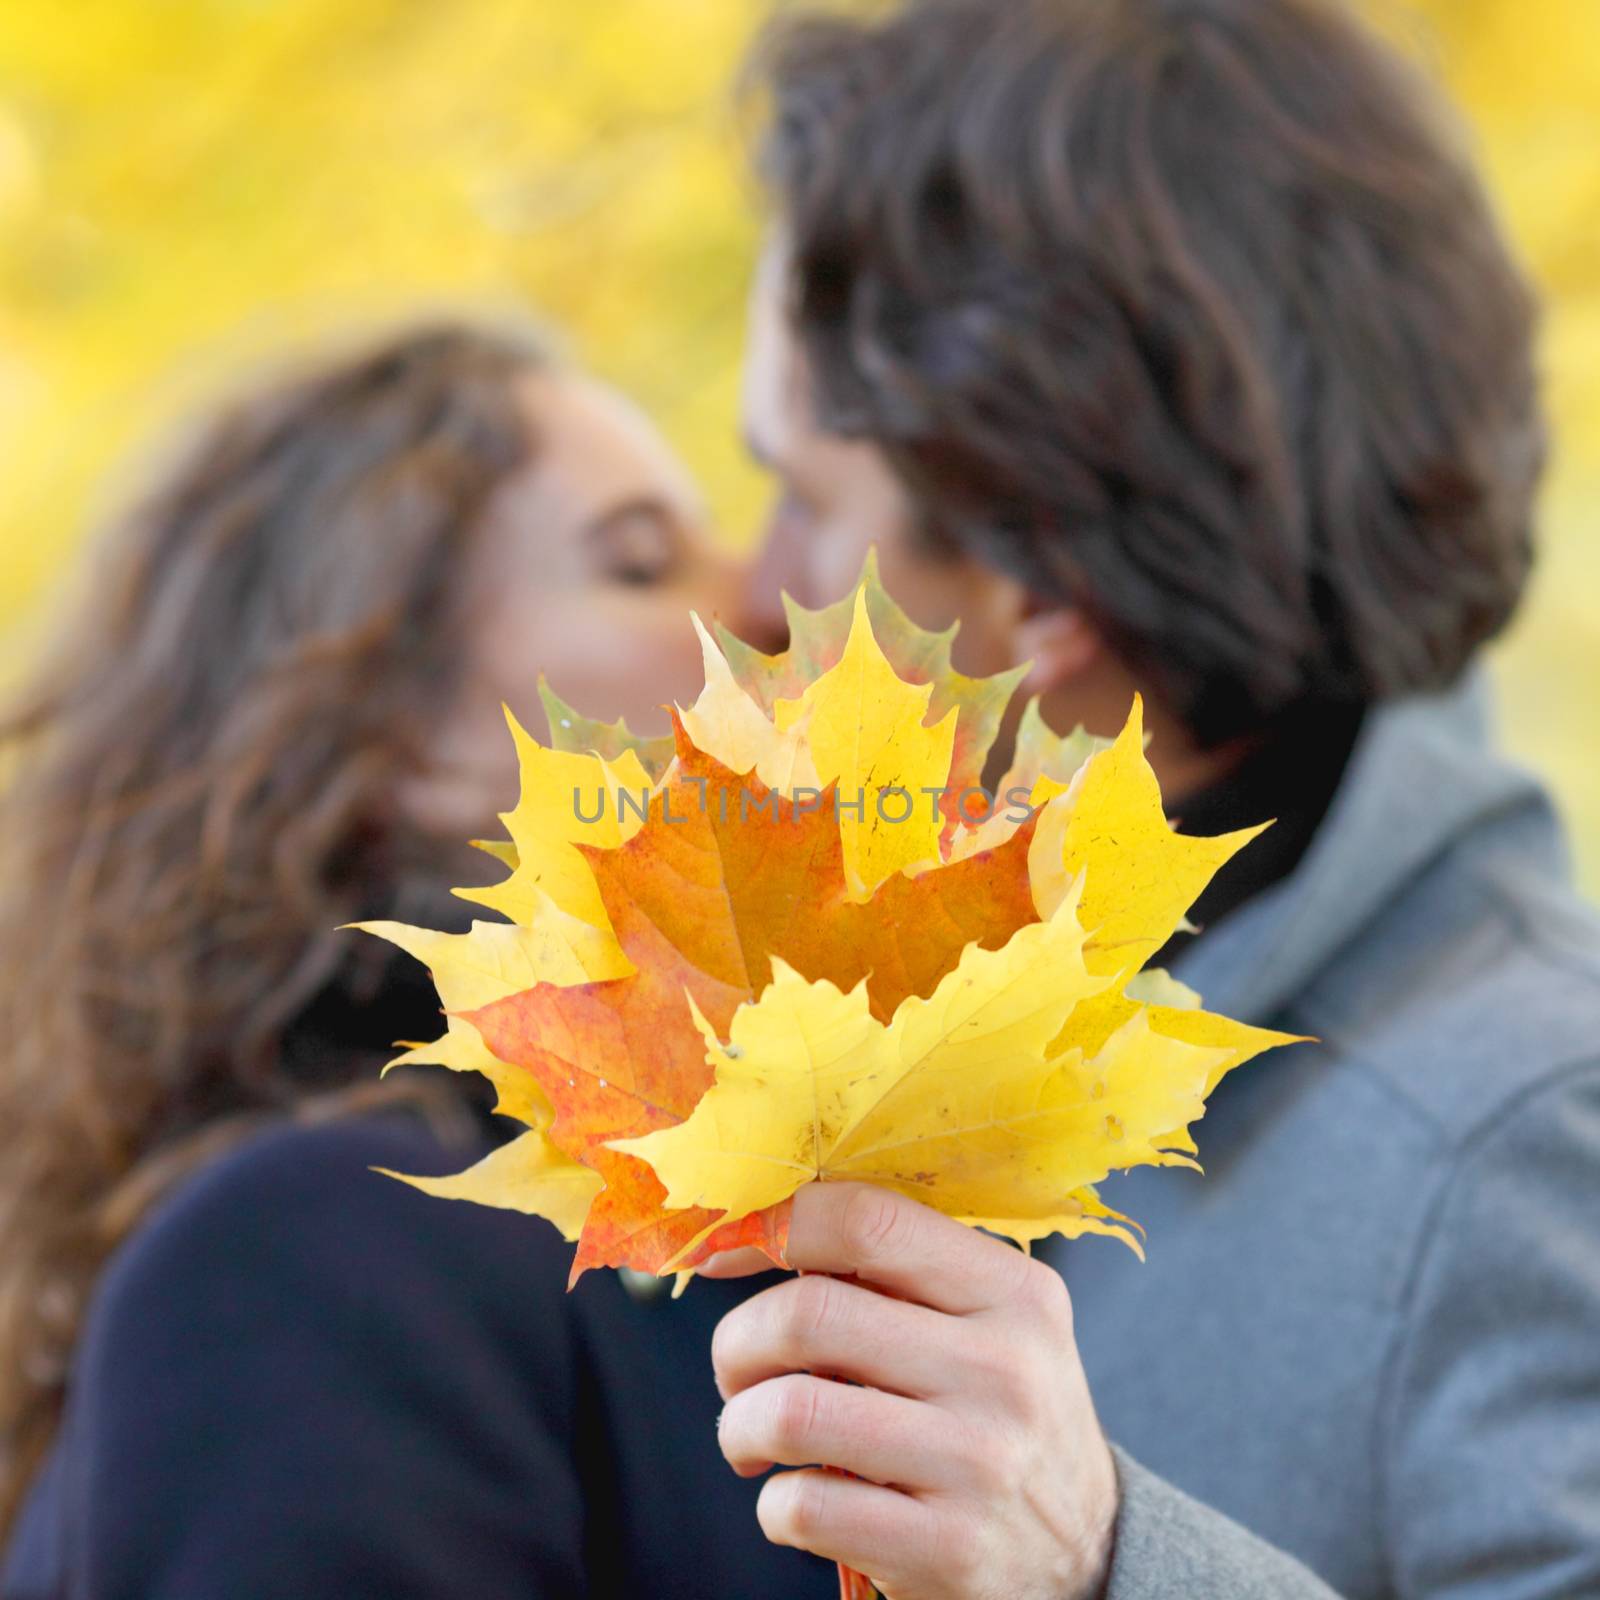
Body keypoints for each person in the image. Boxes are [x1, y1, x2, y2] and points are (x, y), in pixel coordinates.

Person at [699, 0, 1600, 1595]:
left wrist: (1106, 1563)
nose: (754, 588)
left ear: (1042, 594)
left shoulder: (1527, 1135)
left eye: (804, 497)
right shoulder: (962, 993)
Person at [0, 318, 769, 1597]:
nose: (754, 590)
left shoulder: (653, 1217)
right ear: (398, 734)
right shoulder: (320, 1251)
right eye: (640, 562)